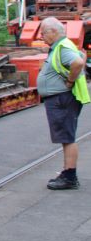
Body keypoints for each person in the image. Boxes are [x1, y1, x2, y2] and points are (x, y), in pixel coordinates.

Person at [36, 17, 89, 190]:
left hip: (63, 98)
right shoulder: (62, 46)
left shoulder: (62, 47)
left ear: (53, 31)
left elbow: (78, 62)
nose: (41, 37)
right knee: (66, 137)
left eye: (43, 33)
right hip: (61, 98)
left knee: (67, 137)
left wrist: (70, 81)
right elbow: (82, 55)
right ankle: (67, 172)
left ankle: (70, 176)